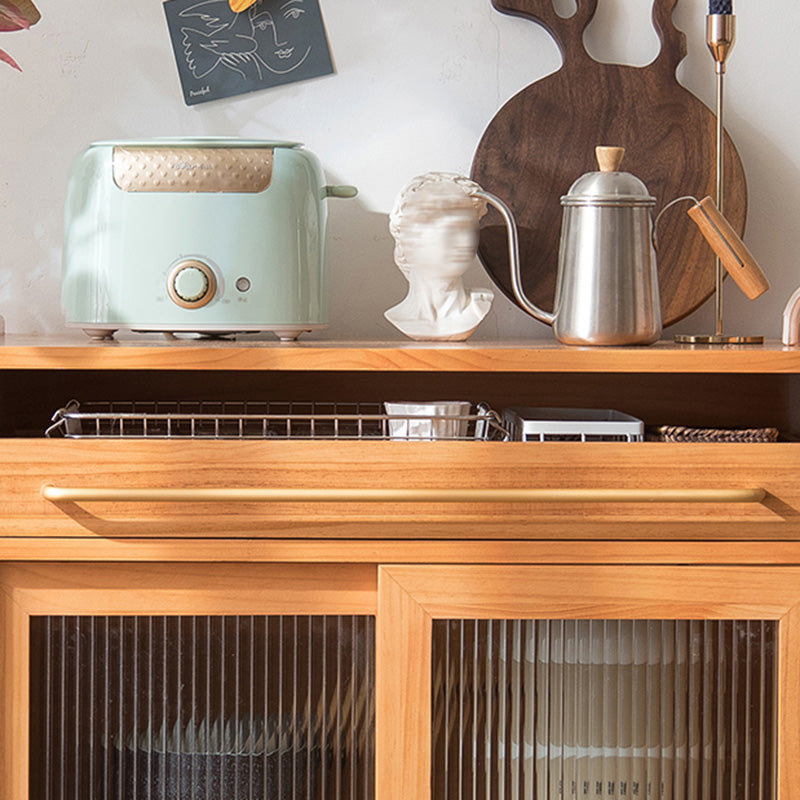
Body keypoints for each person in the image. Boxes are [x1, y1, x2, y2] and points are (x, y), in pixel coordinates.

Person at [385, 172, 494, 341]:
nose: (463, 237)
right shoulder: (399, 317)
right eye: (436, 220)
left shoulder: (479, 307)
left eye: (467, 225)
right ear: (407, 236)